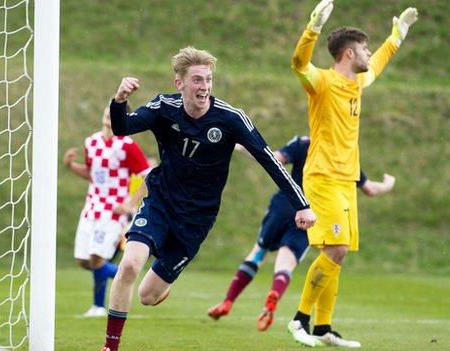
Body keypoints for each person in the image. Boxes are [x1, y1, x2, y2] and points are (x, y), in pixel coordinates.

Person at [99, 46, 317, 351]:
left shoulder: (230, 118)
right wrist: (120, 100)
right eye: (198, 80)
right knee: (130, 265)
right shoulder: (164, 107)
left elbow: (268, 158)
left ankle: (162, 284)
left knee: (147, 296)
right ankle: (110, 347)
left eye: (208, 80)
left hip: (197, 218)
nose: (204, 87)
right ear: (180, 83)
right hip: (161, 202)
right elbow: (122, 128)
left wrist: (302, 204)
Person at [287, 0, 417, 347]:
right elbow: (299, 64)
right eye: (363, 47)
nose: (368, 53)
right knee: (337, 248)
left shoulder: (356, 83)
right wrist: (313, 26)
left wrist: (397, 37)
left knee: (337, 255)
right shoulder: (322, 82)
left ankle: (323, 328)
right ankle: (299, 320)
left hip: (346, 181)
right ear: (347, 54)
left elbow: (378, 63)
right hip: (322, 178)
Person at [207, 136, 396, 333]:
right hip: (310, 214)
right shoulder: (344, 155)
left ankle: (228, 301)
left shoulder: (304, 143)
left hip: (284, 204)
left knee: (258, 253)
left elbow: (274, 158)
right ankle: (273, 295)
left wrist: (242, 145)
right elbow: (371, 189)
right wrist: (388, 184)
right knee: (285, 265)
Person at [63, 104, 152, 317]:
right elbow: (93, 174)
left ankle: (102, 304)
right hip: (91, 207)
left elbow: (149, 176)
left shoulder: (127, 145)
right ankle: (123, 279)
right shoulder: (91, 142)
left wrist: (130, 204)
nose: (109, 116)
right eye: (107, 112)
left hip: (113, 212)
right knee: (85, 261)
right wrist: (71, 166)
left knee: (97, 258)